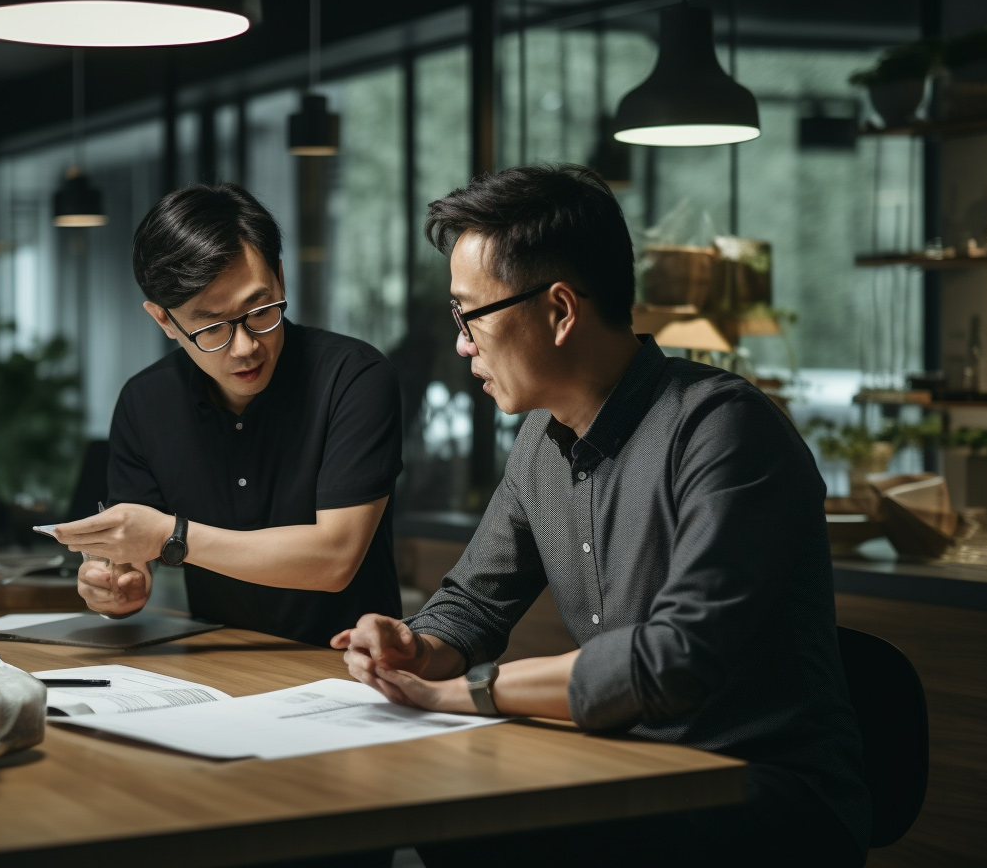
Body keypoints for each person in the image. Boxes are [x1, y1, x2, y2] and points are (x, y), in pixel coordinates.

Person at [331, 164, 870, 867]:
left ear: (559, 310)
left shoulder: (725, 431)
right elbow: (471, 604)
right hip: (623, 769)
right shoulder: (540, 442)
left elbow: (674, 659)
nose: (461, 342)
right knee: (449, 821)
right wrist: (413, 646)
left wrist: (469, 691)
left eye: (470, 314)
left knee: (477, 830)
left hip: (758, 795)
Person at [53, 182, 403, 647]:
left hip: (349, 668)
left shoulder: (354, 378)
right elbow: (134, 556)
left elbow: (335, 559)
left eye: (260, 310)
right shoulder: (145, 402)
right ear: (163, 320)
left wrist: (171, 536)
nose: (245, 347)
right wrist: (117, 583)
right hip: (221, 664)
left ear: (280, 277)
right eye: (212, 327)